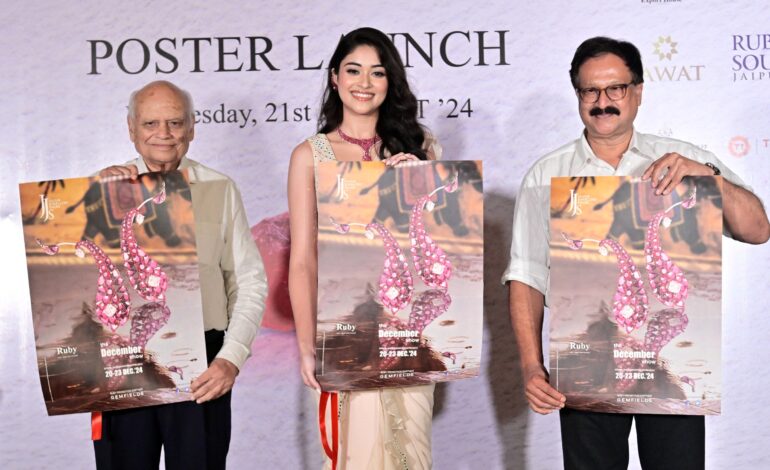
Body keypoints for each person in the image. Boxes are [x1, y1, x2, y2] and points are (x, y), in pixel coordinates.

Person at [503, 36, 770, 469]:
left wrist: (709, 178)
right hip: (587, 365)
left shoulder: (685, 164)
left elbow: (758, 229)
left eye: (616, 89)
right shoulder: (545, 175)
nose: (603, 101)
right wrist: (532, 367)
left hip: (671, 368)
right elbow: (527, 277)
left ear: (638, 92)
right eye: (590, 90)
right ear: (578, 96)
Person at [287, 27, 441, 469]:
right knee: (356, 453)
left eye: (377, 73)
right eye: (353, 70)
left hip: (405, 332)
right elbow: (302, 261)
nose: (364, 82)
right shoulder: (310, 155)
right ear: (335, 77)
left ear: (390, 82)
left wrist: (419, 183)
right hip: (343, 334)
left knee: (410, 451)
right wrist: (305, 346)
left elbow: (438, 254)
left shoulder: (418, 148)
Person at [95, 80, 267, 470]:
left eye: (174, 123)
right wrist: (96, 205)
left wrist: (231, 358)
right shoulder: (100, 189)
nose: (163, 135)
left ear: (191, 128)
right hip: (125, 360)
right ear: (131, 130)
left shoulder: (219, 189)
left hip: (203, 364)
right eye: (151, 123)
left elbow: (249, 282)